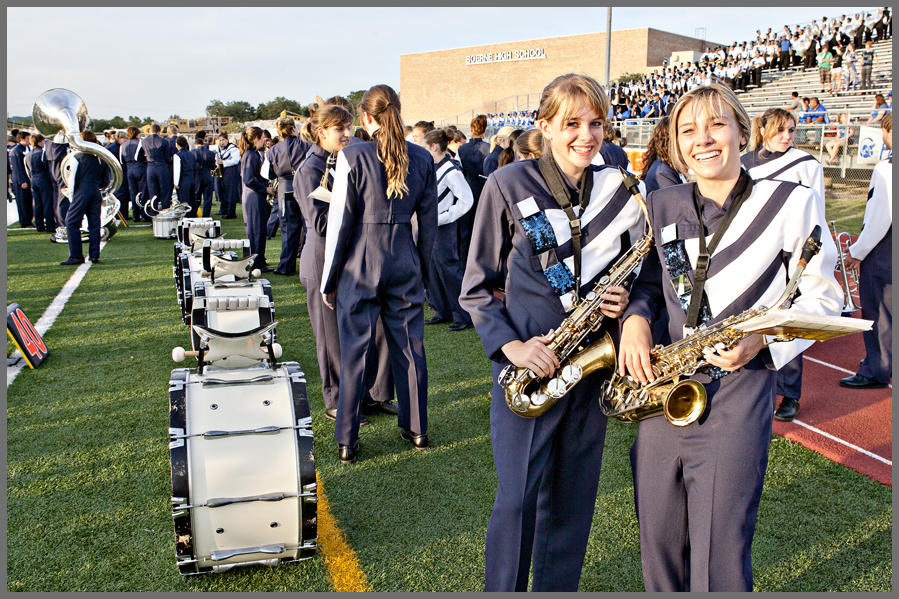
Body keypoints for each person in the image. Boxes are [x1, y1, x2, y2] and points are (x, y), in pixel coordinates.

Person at [618, 84, 840, 592]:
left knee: (719, 556)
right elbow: (651, 283)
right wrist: (635, 318)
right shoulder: (663, 202)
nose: (703, 139)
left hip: (738, 392)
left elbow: (825, 300)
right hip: (663, 393)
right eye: (688, 130)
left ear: (742, 132)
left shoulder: (790, 201)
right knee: (658, 547)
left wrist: (761, 340)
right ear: (676, 144)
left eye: (716, 124)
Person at [460, 73, 643, 592]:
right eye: (572, 124)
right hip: (531, 369)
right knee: (517, 500)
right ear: (544, 126)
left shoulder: (619, 185)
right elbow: (475, 288)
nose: (586, 135)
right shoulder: (507, 183)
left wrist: (627, 302)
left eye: (596, 123)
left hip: (590, 367)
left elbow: (641, 267)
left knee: (572, 503)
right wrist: (513, 347)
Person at [320, 84, 437, 464]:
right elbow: (429, 227)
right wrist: (422, 271)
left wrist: (329, 280)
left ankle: (347, 439)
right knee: (409, 347)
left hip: (361, 262)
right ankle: (417, 428)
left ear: (366, 117)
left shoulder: (351, 155)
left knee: (354, 350)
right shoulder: (423, 157)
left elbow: (340, 222)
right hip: (404, 259)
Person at [294, 103, 397, 427]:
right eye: (340, 128)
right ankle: (338, 402)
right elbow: (321, 223)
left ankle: (374, 393)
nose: (347, 134)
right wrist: (364, 215)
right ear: (321, 132)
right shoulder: (310, 169)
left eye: (349, 127)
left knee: (374, 327)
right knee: (332, 339)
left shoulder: (347, 160)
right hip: (323, 259)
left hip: (355, 257)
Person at [741, 107, 825, 421]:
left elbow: (817, 215)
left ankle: (790, 394)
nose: (787, 136)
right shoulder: (744, 163)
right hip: (752, 253)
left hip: (790, 254)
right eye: (780, 130)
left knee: (785, 321)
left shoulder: (805, 163)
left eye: (791, 130)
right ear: (763, 129)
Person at [840, 113, 891, 390]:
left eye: (885, 131)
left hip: (885, 253)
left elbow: (881, 217)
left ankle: (876, 370)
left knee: (879, 312)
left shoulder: (887, 168)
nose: (883, 137)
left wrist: (858, 251)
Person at [422, 128, 473, 332]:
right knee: (433, 269)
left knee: (449, 270)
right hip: (431, 226)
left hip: (444, 228)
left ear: (434, 147)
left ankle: (464, 314)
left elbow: (467, 200)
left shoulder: (451, 170)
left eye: (425, 147)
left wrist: (444, 217)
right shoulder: (433, 167)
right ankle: (441, 310)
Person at [266, 115, 311, 277]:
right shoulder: (306, 144)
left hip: (284, 190)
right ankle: (310, 266)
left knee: (288, 229)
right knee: (309, 229)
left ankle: (286, 266)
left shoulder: (272, 150)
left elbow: (269, 174)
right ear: (293, 128)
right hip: (305, 188)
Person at [60, 130, 110, 266]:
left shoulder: (76, 157)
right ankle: (94, 255)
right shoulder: (101, 159)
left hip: (81, 191)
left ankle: (76, 255)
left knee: (71, 222)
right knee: (94, 224)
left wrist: (72, 196)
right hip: (96, 191)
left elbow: (72, 180)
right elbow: (105, 180)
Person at [238, 127, 274, 272]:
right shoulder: (250, 155)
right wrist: (265, 189)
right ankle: (256, 263)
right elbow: (249, 180)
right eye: (262, 138)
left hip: (255, 195)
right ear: (256, 139)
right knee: (256, 231)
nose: (264, 141)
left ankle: (259, 261)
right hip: (253, 196)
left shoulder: (253, 154)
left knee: (259, 229)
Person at [457, 115, 491, 269]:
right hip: (483, 191)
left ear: (471, 129)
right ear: (484, 129)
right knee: (482, 229)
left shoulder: (461, 149)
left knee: (465, 231)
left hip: (466, 190)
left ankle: (464, 265)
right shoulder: (488, 148)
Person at [25, 133, 56, 234]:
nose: (44, 143)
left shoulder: (28, 155)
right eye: (42, 141)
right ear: (39, 142)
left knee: (37, 203)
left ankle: (39, 225)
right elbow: (47, 168)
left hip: (33, 179)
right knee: (47, 203)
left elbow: (27, 169)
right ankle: (50, 226)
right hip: (43, 179)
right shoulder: (42, 153)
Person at [119, 126, 149, 221]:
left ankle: (136, 215)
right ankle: (144, 214)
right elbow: (143, 156)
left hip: (129, 170)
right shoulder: (140, 142)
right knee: (143, 192)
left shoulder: (123, 145)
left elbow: (122, 161)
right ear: (137, 134)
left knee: (133, 193)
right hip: (140, 168)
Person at [143, 123, 175, 209]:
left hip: (150, 166)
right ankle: (165, 210)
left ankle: (153, 211)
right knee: (164, 190)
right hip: (161, 166)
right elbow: (168, 158)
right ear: (159, 131)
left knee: (152, 191)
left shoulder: (144, 141)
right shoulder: (164, 141)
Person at [102, 131, 130, 220]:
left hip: (114, 173)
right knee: (122, 193)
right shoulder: (113, 148)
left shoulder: (111, 147)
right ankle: (121, 214)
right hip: (116, 173)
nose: (126, 140)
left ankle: (122, 214)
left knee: (121, 194)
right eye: (124, 138)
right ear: (119, 138)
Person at [9, 131, 34, 229]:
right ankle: (25, 221)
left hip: (27, 178)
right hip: (20, 179)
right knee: (22, 201)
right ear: (21, 139)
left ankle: (29, 220)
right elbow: (17, 168)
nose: (29, 140)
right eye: (27, 138)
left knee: (28, 200)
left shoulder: (27, 148)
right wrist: (22, 181)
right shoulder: (16, 151)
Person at [215, 132, 240, 218]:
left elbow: (235, 160)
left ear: (227, 140)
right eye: (220, 140)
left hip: (231, 172)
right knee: (222, 191)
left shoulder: (234, 149)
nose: (222, 142)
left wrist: (223, 162)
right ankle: (223, 210)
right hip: (223, 171)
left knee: (230, 192)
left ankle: (230, 212)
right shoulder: (220, 149)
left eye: (223, 140)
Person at [191, 134, 216, 218]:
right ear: (203, 144)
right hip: (207, 175)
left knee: (196, 196)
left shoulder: (192, 153)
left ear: (195, 144)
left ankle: (194, 214)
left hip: (196, 176)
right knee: (208, 198)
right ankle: (206, 216)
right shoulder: (210, 153)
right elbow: (213, 166)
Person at [173, 136, 197, 216]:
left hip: (183, 179)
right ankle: (193, 215)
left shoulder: (177, 155)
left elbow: (177, 170)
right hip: (191, 178)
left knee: (184, 200)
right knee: (192, 199)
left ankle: (186, 217)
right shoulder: (191, 154)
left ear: (177, 144)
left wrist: (176, 183)